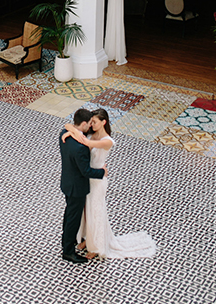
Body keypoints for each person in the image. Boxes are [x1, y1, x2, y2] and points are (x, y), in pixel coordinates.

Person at [64, 108, 157, 260]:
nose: (91, 124)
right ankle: (88, 239)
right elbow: (70, 125)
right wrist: (71, 130)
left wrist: (73, 132)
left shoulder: (107, 141)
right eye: (90, 122)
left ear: (103, 122)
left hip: (98, 180)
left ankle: (96, 246)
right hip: (87, 177)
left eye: (94, 122)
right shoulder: (92, 133)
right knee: (86, 210)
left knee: (96, 211)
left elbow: (86, 142)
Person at [59, 108, 107, 264]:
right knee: (73, 218)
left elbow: (68, 127)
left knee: (69, 214)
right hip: (77, 188)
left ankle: (69, 240)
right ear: (84, 123)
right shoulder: (80, 147)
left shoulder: (64, 135)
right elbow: (86, 171)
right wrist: (102, 172)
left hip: (67, 182)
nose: (91, 127)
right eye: (90, 124)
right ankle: (67, 251)